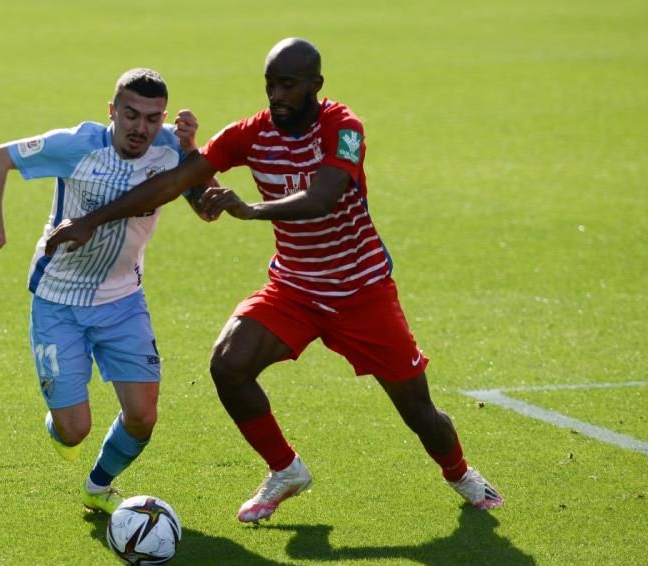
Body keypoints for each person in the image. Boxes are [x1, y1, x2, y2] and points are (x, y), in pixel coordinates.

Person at [45, 39, 505, 522]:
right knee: (228, 365)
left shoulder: (343, 127)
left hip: (360, 290)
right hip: (294, 289)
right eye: (271, 84)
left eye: (288, 85)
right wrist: (95, 218)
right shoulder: (251, 133)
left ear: (315, 86)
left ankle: (459, 473)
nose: (277, 95)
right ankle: (285, 469)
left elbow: (323, 196)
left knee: (419, 411)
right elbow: (175, 186)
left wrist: (250, 209)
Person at [0, 68, 209, 514]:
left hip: (123, 302)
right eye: (130, 115)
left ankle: (97, 485)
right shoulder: (77, 146)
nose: (141, 128)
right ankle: (59, 420)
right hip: (58, 300)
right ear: (111, 111)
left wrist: (192, 151)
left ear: (165, 118)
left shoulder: (170, 149)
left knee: (143, 417)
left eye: (153, 119)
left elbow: (206, 208)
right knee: (74, 430)